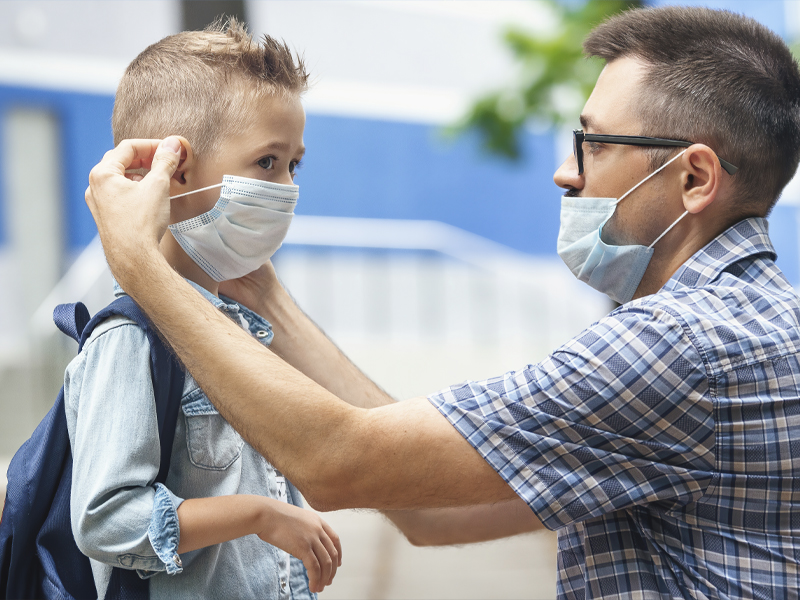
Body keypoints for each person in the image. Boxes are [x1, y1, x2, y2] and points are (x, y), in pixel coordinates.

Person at [84, 6, 800, 599]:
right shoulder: (759, 321)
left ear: (695, 177)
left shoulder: (677, 348)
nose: (564, 172)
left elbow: (339, 461)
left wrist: (140, 263)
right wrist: (263, 294)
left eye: (592, 143)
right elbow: (431, 512)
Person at [64, 21, 341, 599]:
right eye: (268, 162)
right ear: (177, 170)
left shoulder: (241, 326)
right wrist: (261, 514)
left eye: (296, 165)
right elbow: (105, 520)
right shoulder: (129, 338)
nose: (286, 187)